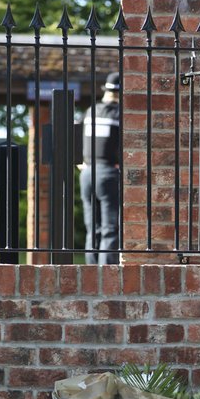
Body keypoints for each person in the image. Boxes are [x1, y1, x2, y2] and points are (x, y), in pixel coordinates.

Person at [79, 72, 121, 264]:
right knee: (110, 228)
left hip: (87, 173)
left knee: (92, 228)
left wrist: (81, 162)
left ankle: (91, 273)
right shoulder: (119, 114)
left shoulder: (91, 111)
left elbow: (73, 133)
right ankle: (107, 274)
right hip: (108, 172)